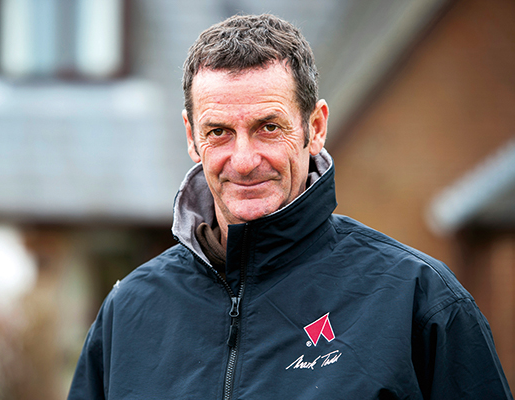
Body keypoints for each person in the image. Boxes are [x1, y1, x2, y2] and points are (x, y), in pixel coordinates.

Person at [68, 14, 512, 399]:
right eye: (219, 131)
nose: (243, 161)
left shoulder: (417, 299)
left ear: (314, 127)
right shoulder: (129, 311)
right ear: (191, 137)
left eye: (268, 127)